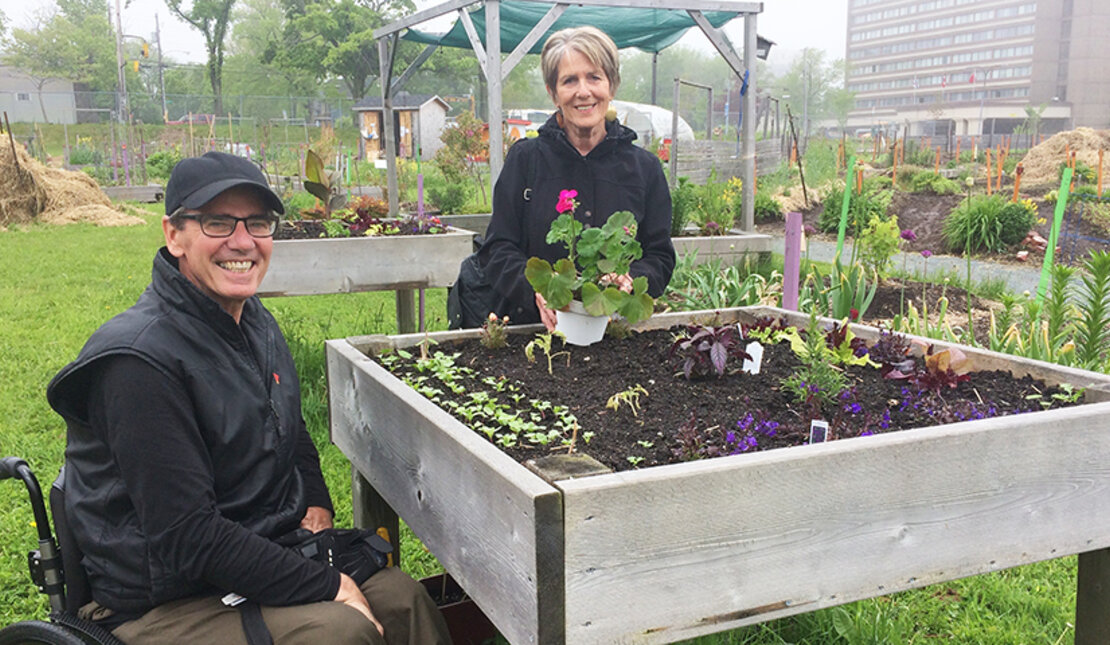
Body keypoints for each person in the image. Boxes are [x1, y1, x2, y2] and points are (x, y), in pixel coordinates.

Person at [46, 151, 451, 645]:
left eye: (257, 223)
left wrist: (317, 499)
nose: (242, 241)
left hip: (251, 554)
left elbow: (289, 423)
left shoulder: (253, 321)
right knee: (339, 633)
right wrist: (327, 583)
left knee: (404, 599)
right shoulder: (138, 363)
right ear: (174, 234)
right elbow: (188, 539)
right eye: (217, 222)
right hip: (161, 600)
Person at [478, 26, 676, 330]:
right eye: (569, 80)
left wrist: (630, 278)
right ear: (553, 92)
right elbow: (497, 248)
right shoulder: (526, 160)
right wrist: (536, 289)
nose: (583, 91)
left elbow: (660, 255)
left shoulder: (644, 168)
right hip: (534, 332)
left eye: (594, 77)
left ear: (611, 86)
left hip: (615, 333)